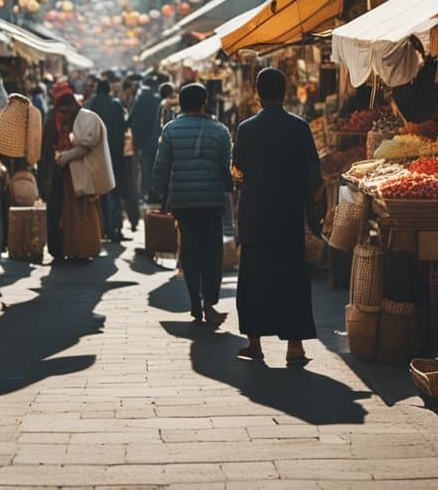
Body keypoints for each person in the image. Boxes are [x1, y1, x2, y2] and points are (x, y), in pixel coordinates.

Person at [232, 67, 322, 367]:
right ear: (285, 92)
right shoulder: (299, 127)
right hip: (290, 215)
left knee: (254, 280)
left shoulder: (246, 128)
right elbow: (314, 173)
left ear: (257, 93)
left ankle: (254, 343)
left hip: (255, 214)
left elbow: (238, 168)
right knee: (292, 279)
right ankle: (294, 347)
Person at [150, 83, 233, 325]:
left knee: (189, 250)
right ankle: (209, 303)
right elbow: (227, 168)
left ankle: (194, 301)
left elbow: (161, 166)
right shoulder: (219, 130)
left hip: (182, 201)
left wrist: (161, 193)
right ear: (204, 103)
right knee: (211, 253)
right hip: (211, 201)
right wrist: (229, 188)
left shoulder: (170, 129)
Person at [40, 81, 113, 261]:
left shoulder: (85, 118)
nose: (64, 114)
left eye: (67, 110)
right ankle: (59, 249)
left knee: (80, 213)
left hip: (79, 174)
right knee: (59, 211)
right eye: (62, 110)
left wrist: (66, 156)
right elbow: (47, 146)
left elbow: (85, 145)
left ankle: (81, 249)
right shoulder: (53, 119)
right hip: (58, 173)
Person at [85, 79, 130, 241]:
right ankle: (115, 228)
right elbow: (123, 127)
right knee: (114, 190)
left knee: (98, 192)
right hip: (115, 153)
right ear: (109, 90)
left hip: (94, 153)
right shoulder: (115, 105)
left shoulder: (88, 105)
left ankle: (99, 228)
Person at [129, 75, 163, 201]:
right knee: (153, 165)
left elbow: (132, 119)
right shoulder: (157, 99)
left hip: (141, 139)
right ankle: (154, 193)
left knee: (144, 167)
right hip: (154, 138)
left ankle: (144, 193)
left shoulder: (139, 98)